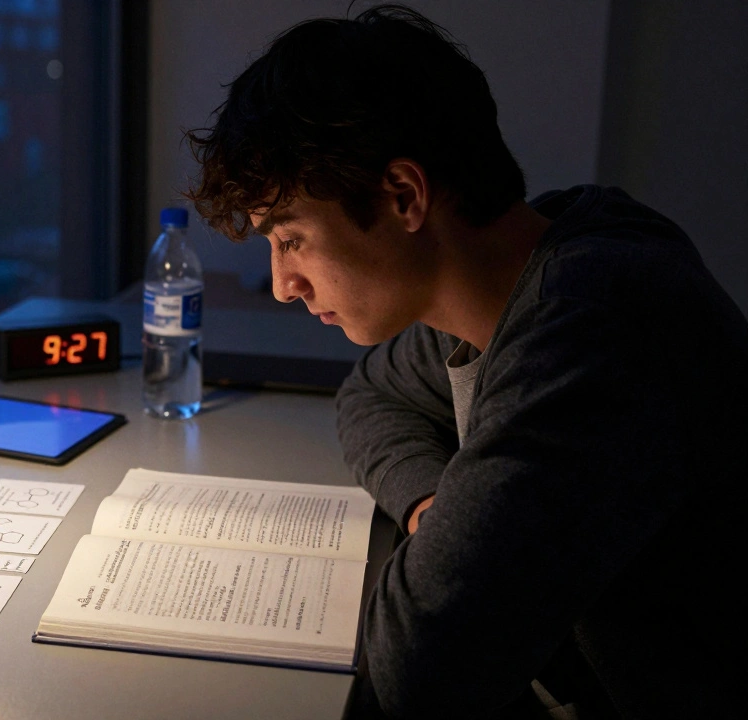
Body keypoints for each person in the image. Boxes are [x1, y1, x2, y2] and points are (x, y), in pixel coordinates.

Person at [184, 5, 747, 719]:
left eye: (290, 238)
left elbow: (420, 667)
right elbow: (371, 396)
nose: (284, 283)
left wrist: (461, 555)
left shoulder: (592, 323)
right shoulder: (513, 276)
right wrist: (433, 507)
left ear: (403, 195)